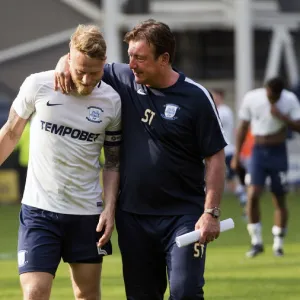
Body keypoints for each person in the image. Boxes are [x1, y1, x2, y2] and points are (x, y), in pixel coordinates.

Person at [55, 19, 227, 300]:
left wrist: (211, 213)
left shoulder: (196, 97)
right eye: (130, 56)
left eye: (140, 58)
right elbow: (85, 60)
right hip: (133, 217)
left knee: (186, 293)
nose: (132, 64)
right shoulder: (124, 78)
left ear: (164, 59)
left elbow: (216, 158)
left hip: (184, 216)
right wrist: (65, 61)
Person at [0, 24, 122, 300]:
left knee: (87, 295)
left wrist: (109, 209)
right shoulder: (39, 84)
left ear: (104, 63)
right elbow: (10, 132)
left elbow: (113, 163)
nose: (88, 79)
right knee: (35, 293)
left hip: (86, 215)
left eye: (95, 72)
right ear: (69, 54)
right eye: (81, 71)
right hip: (39, 212)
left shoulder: (112, 102)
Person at [231, 77, 300, 258]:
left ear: (280, 94)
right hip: (258, 152)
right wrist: (237, 156)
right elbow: (243, 127)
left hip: (278, 151)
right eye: (270, 96)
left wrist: (283, 117)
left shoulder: (290, 100)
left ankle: (278, 243)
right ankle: (256, 242)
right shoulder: (252, 98)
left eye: (275, 97)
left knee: (279, 197)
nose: (272, 100)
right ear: (265, 90)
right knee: (253, 194)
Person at [211, 88, 247, 212]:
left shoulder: (223, 111)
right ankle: (243, 196)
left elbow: (212, 122)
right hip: (225, 149)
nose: (214, 99)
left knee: (229, 175)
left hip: (226, 150)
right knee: (230, 177)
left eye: (215, 96)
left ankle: (244, 196)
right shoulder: (223, 110)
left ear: (220, 97)